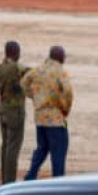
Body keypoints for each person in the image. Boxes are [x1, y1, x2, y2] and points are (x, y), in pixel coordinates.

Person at [22, 45, 73, 180]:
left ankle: (31, 175)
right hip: (56, 119)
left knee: (42, 148)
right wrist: (65, 108)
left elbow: (23, 83)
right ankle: (58, 180)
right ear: (59, 56)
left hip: (40, 118)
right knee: (59, 151)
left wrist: (34, 96)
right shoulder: (60, 71)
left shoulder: (38, 70)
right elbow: (68, 92)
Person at [0, 40, 28, 183]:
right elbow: (32, 75)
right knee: (13, 149)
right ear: (17, 53)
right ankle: (9, 182)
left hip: (2, 112)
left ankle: (4, 180)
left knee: (5, 146)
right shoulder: (19, 69)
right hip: (15, 113)